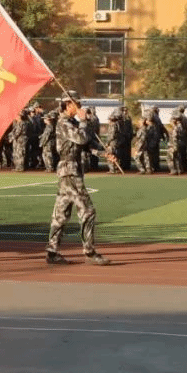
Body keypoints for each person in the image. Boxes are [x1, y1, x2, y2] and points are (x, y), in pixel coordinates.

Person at [45, 92, 115, 266]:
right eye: (77, 104)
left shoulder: (73, 123)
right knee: (88, 211)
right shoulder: (63, 123)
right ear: (68, 105)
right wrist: (84, 122)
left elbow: (87, 146)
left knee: (61, 213)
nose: (80, 108)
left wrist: (104, 153)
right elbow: (81, 138)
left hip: (70, 171)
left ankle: (52, 252)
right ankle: (89, 252)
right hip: (69, 171)